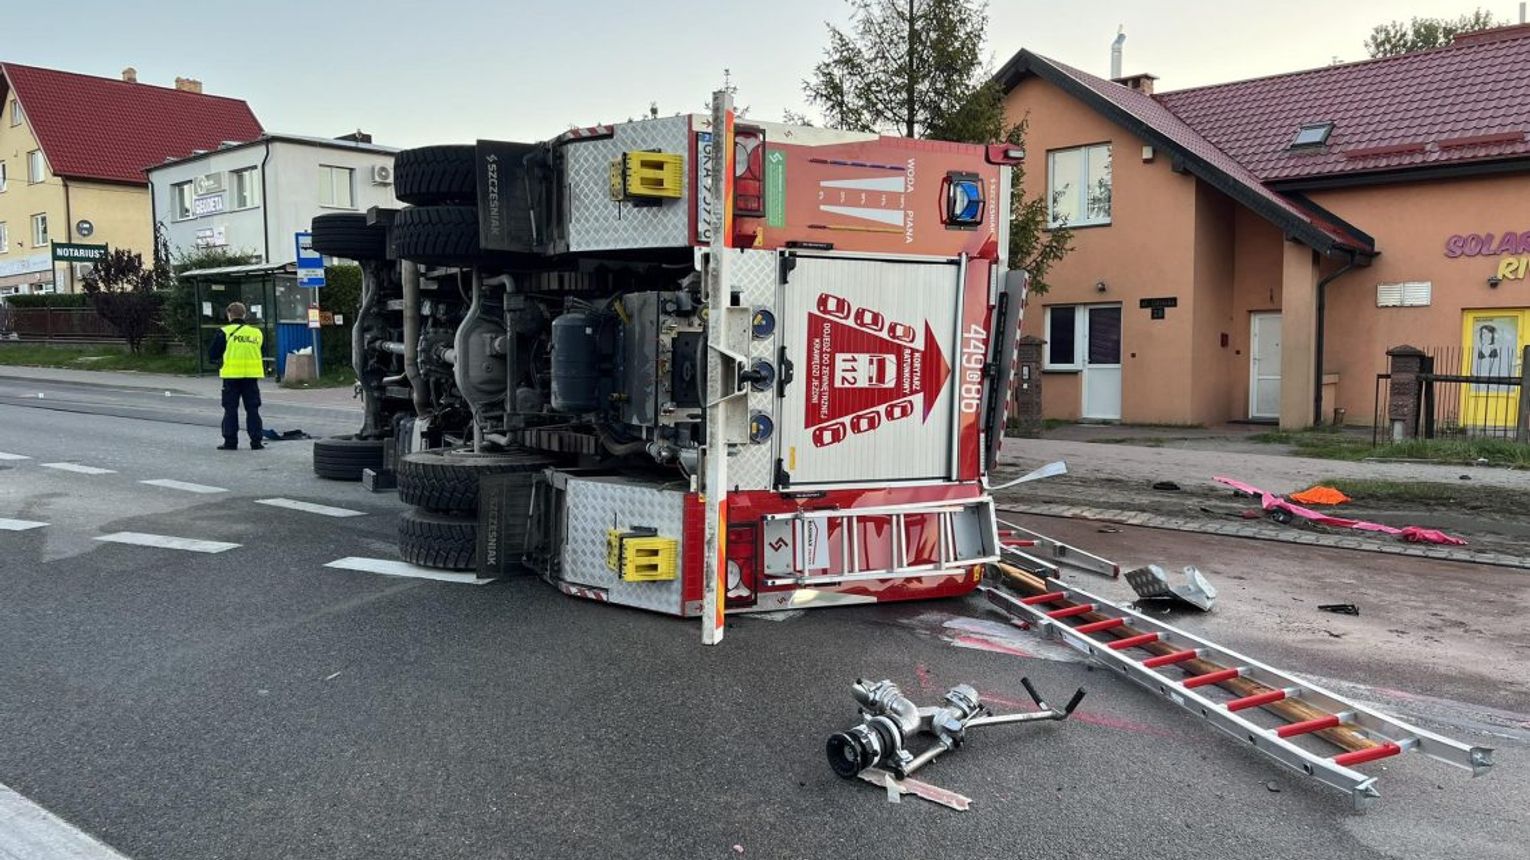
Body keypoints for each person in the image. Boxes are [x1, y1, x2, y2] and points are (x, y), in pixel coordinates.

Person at [206, 302, 265, 450]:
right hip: (252, 376)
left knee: (230, 409)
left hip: (231, 376)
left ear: (229, 314)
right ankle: (256, 442)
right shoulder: (256, 333)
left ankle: (230, 442)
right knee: (253, 409)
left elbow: (213, 354)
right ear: (244, 314)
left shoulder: (224, 332)